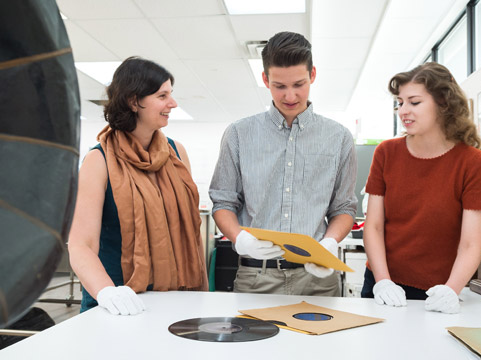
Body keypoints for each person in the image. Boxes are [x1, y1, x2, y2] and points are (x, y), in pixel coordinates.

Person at [209, 31, 357, 296]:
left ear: (312, 75)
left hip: (317, 278)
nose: (290, 96)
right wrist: (239, 238)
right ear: (265, 80)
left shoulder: (339, 137)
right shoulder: (239, 134)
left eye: (299, 84)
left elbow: (344, 207)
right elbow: (223, 202)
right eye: (279, 86)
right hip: (256, 278)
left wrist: (331, 242)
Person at [68, 57, 206, 316]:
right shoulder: (98, 160)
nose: (172, 103)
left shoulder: (176, 153)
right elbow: (81, 246)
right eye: (162, 95)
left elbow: (192, 231)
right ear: (134, 101)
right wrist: (106, 292)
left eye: (171, 94)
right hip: (116, 304)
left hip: (175, 300)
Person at [362, 62, 481, 314]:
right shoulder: (386, 153)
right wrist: (383, 280)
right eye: (400, 103)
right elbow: (374, 226)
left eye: (414, 102)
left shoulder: (474, 162)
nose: (403, 111)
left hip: (438, 292)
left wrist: (451, 290)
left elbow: (470, 243)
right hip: (383, 284)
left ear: (443, 103)